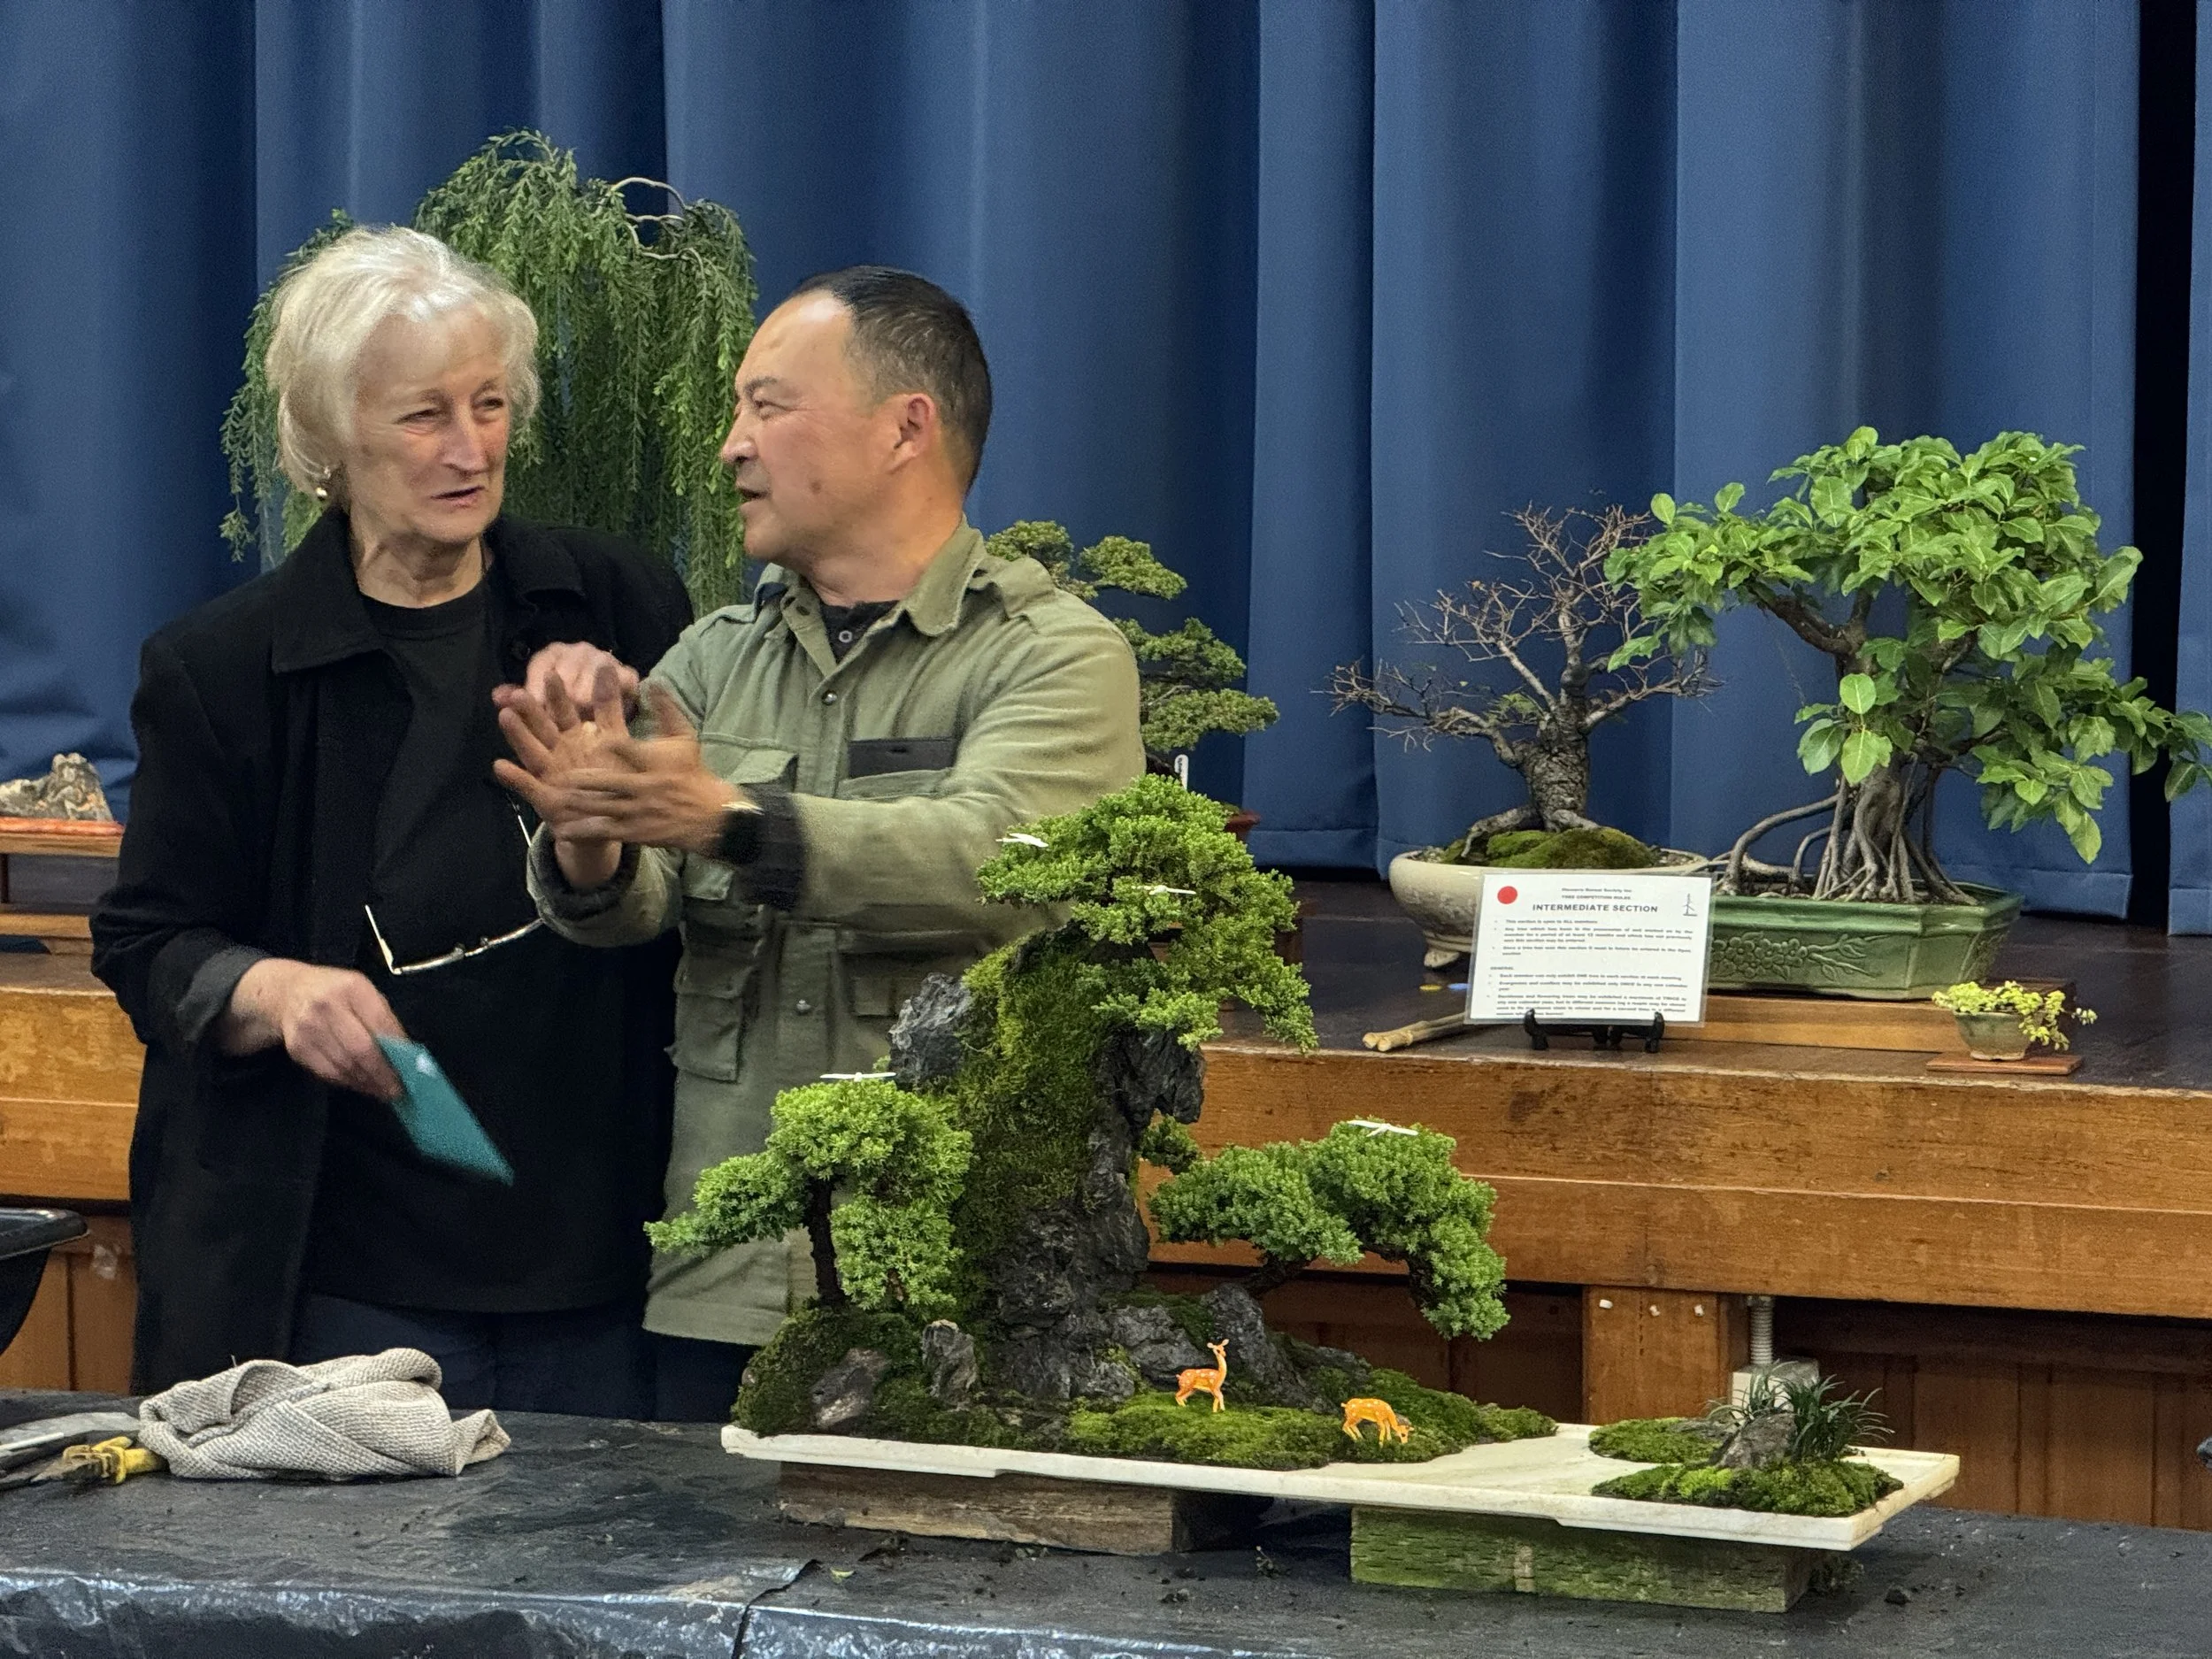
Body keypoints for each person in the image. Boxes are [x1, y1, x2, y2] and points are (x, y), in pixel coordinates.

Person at [497, 266, 1144, 1420]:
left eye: (769, 406)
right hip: (722, 1285)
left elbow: (1003, 860)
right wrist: (591, 832)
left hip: (956, 1288)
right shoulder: (716, 655)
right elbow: (642, 900)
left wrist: (732, 820)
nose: (731, 446)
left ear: (906, 428)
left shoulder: (1055, 654)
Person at [91, 227, 693, 1413]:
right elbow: (147, 940)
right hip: (341, 1267)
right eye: (425, 415)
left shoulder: (619, 604)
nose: (471, 449)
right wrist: (277, 992)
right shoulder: (221, 670)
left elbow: (685, 901)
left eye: (489, 403)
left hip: (600, 1256)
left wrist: (612, 814)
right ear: (329, 442)